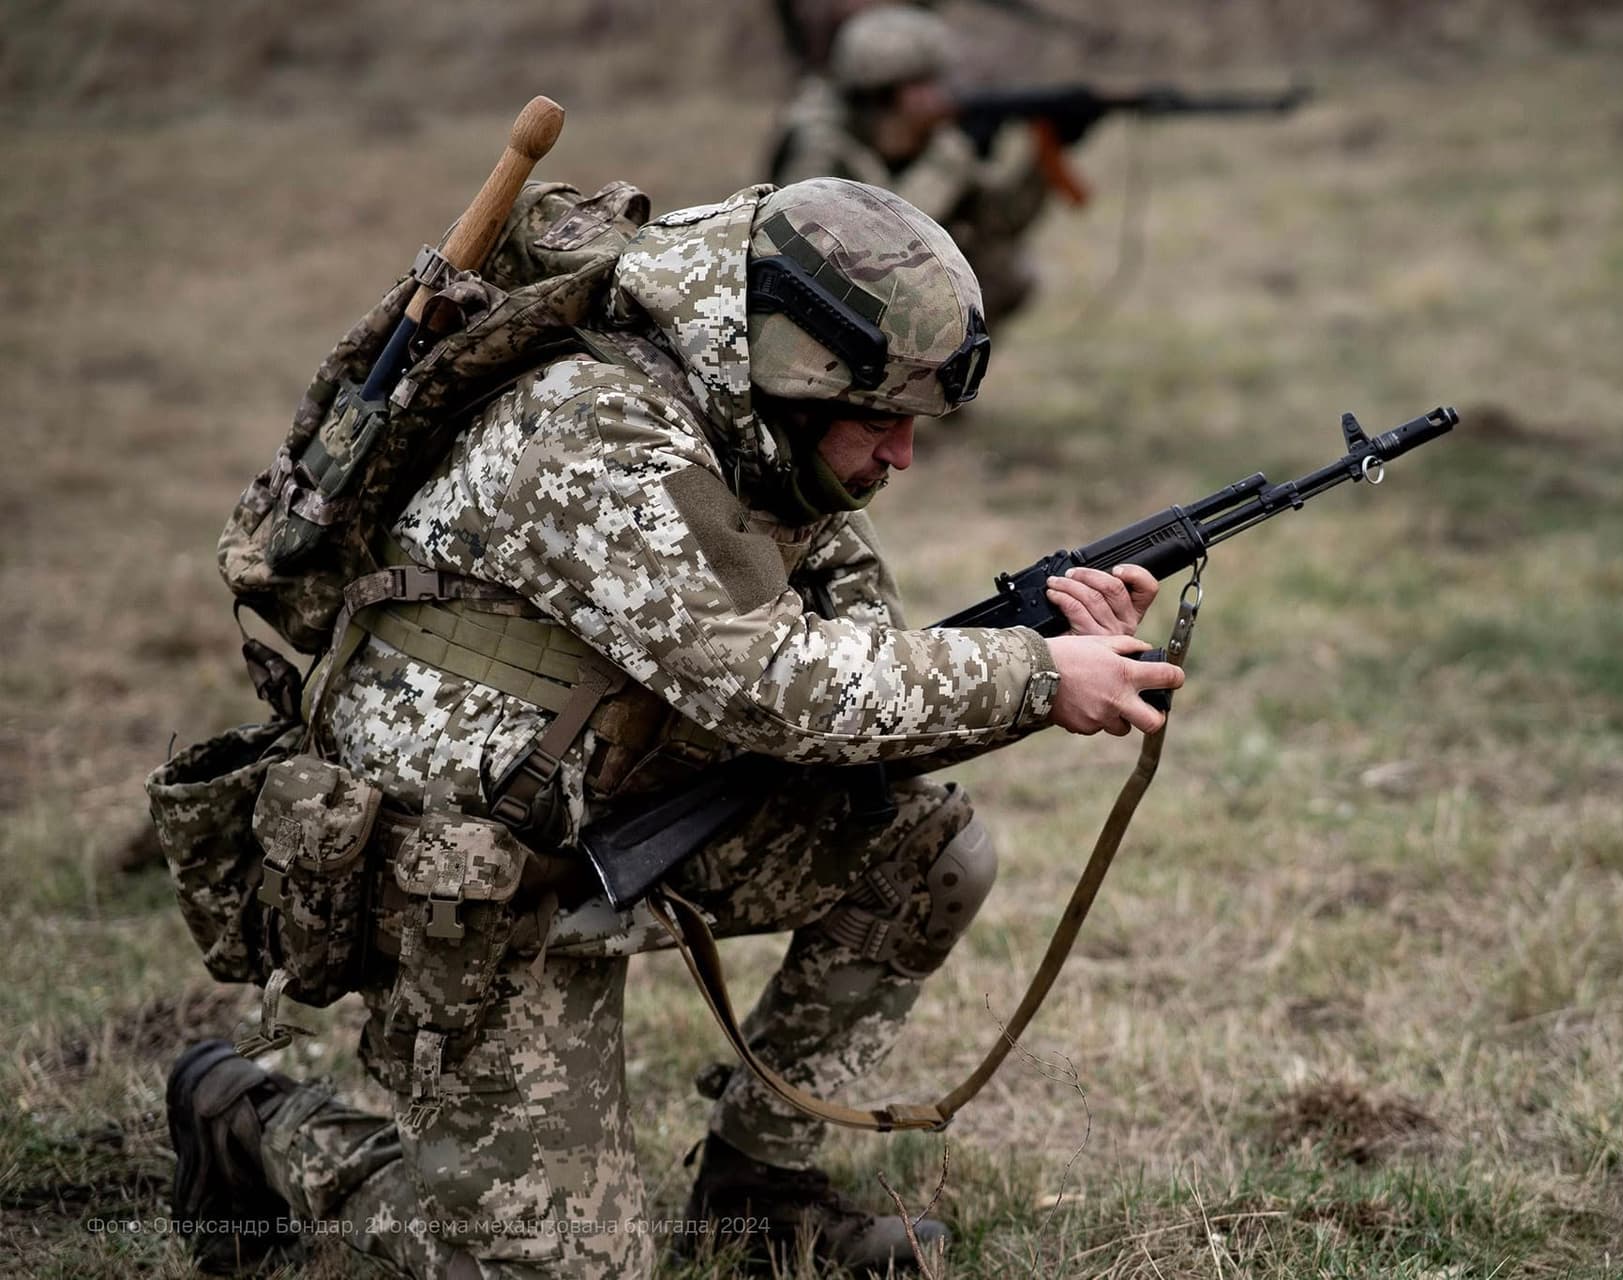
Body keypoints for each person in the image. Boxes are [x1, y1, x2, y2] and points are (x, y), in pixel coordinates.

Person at [166, 176, 1181, 1278]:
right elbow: (768, 687)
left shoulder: (752, 422)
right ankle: (258, 1122)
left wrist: (1052, 639)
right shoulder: (600, 430)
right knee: (566, 1267)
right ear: (802, 375)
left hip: (624, 806)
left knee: (923, 848)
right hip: (469, 869)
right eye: (883, 419)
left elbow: (855, 678)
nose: (902, 456)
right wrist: (1034, 675)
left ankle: (758, 1197)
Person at [770, 3, 1054, 323]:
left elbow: (1001, 220)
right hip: (822, 307)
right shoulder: (818, 142)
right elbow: (856, 247)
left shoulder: (934, 139)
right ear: (888, 91)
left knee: (1005, 267)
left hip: (889, 300)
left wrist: (1043, 161)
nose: (943, 93)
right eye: (926, 83)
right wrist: (948, 165)